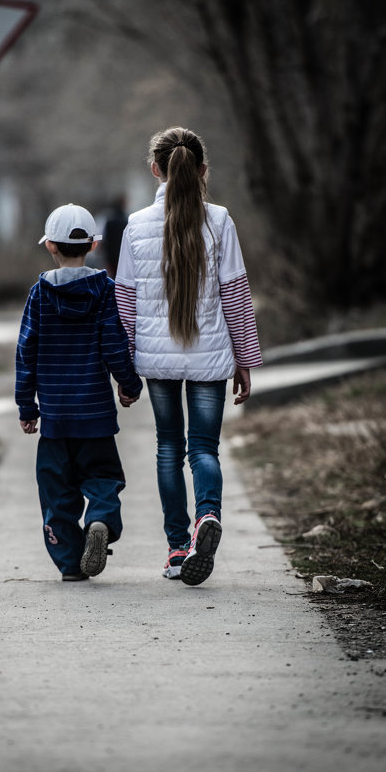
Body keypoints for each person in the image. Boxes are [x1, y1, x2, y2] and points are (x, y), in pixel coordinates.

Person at [115, 126, 262, 586]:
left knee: (168, 448)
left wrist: (124, 370)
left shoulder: (136, 225)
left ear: (156, 170)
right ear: (202, 170)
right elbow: (235, 295)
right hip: (210, 356)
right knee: (203, 447)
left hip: (156, 362)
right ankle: (208, 518)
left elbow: (124, 301)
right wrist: (244, 359)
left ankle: (178, 549)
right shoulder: (219, 221)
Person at [16, 203, 142, 581]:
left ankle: (71, 564)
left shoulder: (39, 294)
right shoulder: (105, 290)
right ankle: (101, 519)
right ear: (95, 244)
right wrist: (129, 384)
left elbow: (27, 351)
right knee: (103, 477)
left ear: (50, 246)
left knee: (57, 493)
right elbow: (114, 343)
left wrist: (27, 407)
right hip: (96, 417)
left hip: (55, 420)